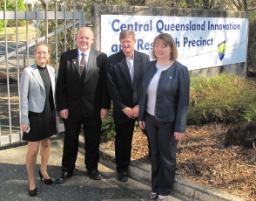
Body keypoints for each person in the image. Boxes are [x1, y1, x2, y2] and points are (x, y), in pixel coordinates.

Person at [55, 27, 110, 183]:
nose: (84, 40)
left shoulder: (101, 57)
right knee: (70, 140)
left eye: (87, 38)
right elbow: (61, 85)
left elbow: (105, 85)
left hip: (93, 109)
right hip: (71, 109)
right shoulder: (67, 57)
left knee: (92, 140)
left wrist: (105, 106)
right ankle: (67, 169)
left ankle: (92, 168)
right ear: (76, 39)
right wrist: (62, 107)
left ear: (92, 40)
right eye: (81, 37)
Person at [138, 33, 190, 201]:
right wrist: (141, 117)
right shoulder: (150, 66)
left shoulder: (180, 70)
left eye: (164, 46)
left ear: (171, 48)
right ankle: (155, 186)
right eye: (157, 45)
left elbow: (183, 101)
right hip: (150, 119)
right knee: (154, 155)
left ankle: (165, 189)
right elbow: (143, 93)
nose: (159, 49)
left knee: (167, 157)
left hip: (168, 122)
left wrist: (180, 127)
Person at [107, 30, 150, 182]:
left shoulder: (145, 59)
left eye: (129, 41)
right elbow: (111, 88)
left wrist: (139, 105)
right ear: (120, 43)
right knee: (123, 141)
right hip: (122, 110)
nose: (126, 44)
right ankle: (122, 169)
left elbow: (147, 85)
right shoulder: (112, 61)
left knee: (151, 134)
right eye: (123, 41)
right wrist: (124, 107)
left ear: (134, 42)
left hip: (141, 107)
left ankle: (155, 160)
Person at [20, 43, 56, 196]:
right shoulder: (28, 72)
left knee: (46, 144)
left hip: (48, 114)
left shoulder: (51, 70)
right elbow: (23, 97)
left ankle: (43, 171)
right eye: (39, 53)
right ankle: (31, 181)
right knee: (33, 150)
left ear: (49, 55)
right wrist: (24, 119)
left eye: (45, 53)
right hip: (34, 116)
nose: (42, 55)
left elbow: (52, 94)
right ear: (35, 54)